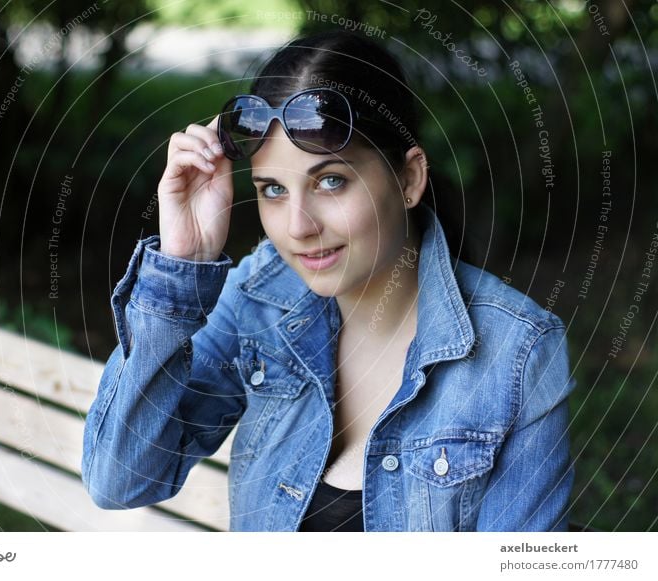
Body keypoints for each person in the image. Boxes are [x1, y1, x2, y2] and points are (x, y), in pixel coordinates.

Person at [81, 29, 576, 532]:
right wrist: (182, 263)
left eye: (331, 181)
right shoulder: (262, 296)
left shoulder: (518, 354)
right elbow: (121, 480)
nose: (298, 227)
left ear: (408, 179)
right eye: (272, 189)